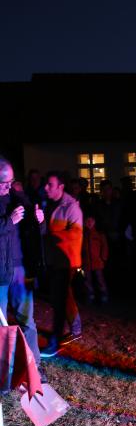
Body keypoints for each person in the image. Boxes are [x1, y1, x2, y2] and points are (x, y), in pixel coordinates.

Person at [0, 157, 47, 382]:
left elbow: (33, 232)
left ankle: (34, 368)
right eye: (3, 183)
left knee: (27, 320)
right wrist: (8, 221)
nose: (7, 187)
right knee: (1, 325)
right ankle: (4, 374)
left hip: (19, 269)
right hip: (0, 272)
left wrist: (39, 221)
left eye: (10, 182)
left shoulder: (18, 199)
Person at [41, 171, 83, 357]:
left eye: (50, 184)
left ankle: (55, 342)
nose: (45, 187)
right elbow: (44, 230)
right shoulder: (49, 204)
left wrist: (49, 235)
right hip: (54, 260)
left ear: (61, 187)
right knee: (63, 297)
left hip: (67, 261)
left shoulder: (71, 207)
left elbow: (75, 235)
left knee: (60, 299)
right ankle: (75, 329)